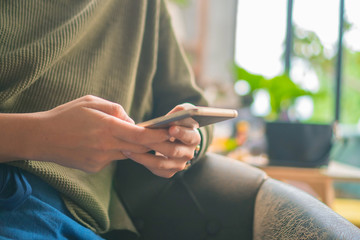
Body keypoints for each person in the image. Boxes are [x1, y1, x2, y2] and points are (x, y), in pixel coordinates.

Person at [0, 0, 212, 239]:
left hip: (69, 219)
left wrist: (188, 141)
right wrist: (36, 136)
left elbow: (189, 104)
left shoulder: (145, 6)